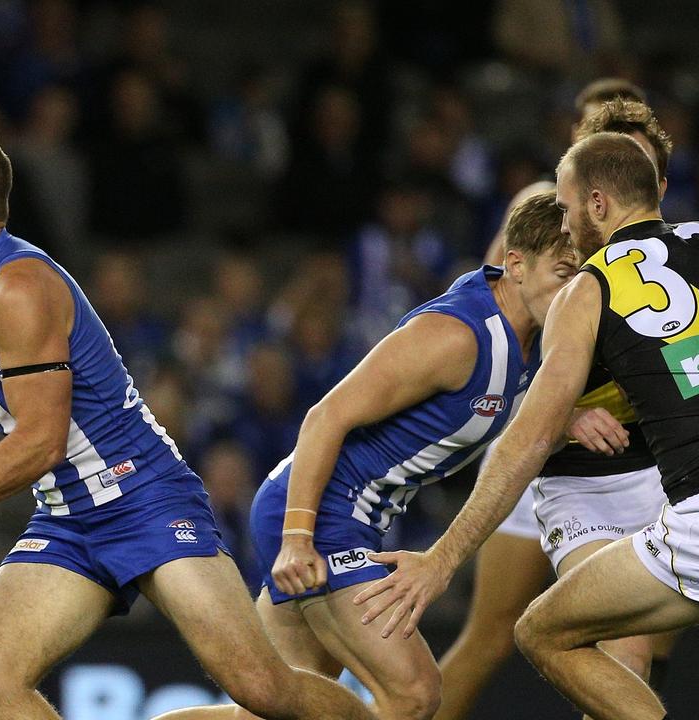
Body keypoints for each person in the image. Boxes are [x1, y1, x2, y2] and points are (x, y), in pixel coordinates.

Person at [0, 127, 377, 720]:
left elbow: (41, 441)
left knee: (260, 688)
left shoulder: (20, 286)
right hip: (68, 516)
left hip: (146, 496)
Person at [355, 131, 699, 719]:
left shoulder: (589, 290)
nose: (565, 226)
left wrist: (441, 559)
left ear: (597, 205)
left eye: (567, 210)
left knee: (543, 632)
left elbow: (529, 437)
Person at [436, 96, 699, 720]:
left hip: (660, 471)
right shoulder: (542, 224)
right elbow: (488, 357)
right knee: (501, 635)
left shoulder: (680, 253)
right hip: (548, 462)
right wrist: (557, 417)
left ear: (656, 185)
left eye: (638, 163)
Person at [158, 190, 593, 720]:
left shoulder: (533, 331)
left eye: (581, 275)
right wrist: (297, 540)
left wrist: (568, 416)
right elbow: (325, 417)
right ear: (517, 264)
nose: (572, 287)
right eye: (562, 270)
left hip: (344, 518)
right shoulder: (455, 336)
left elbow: (511, 399)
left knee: (270, 711)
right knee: (413, 694)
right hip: (321, 518)